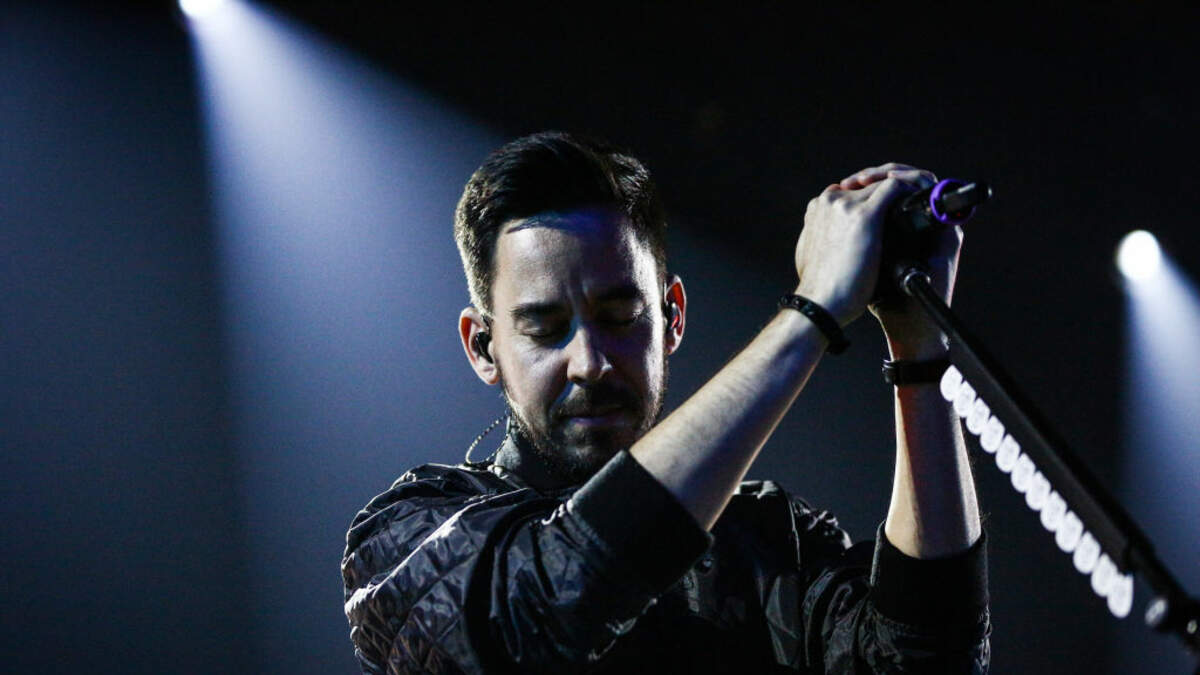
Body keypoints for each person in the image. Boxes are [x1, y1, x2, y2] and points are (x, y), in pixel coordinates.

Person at [342, 131, 990, 674]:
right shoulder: (406, 535)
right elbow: (544, 608)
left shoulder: (767, 539)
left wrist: (920, 352)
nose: (590, 362)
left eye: (619, 316)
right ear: (483, 347)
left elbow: (927, 660)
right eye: (544, 328)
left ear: (672, 316)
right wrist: (811, 311)